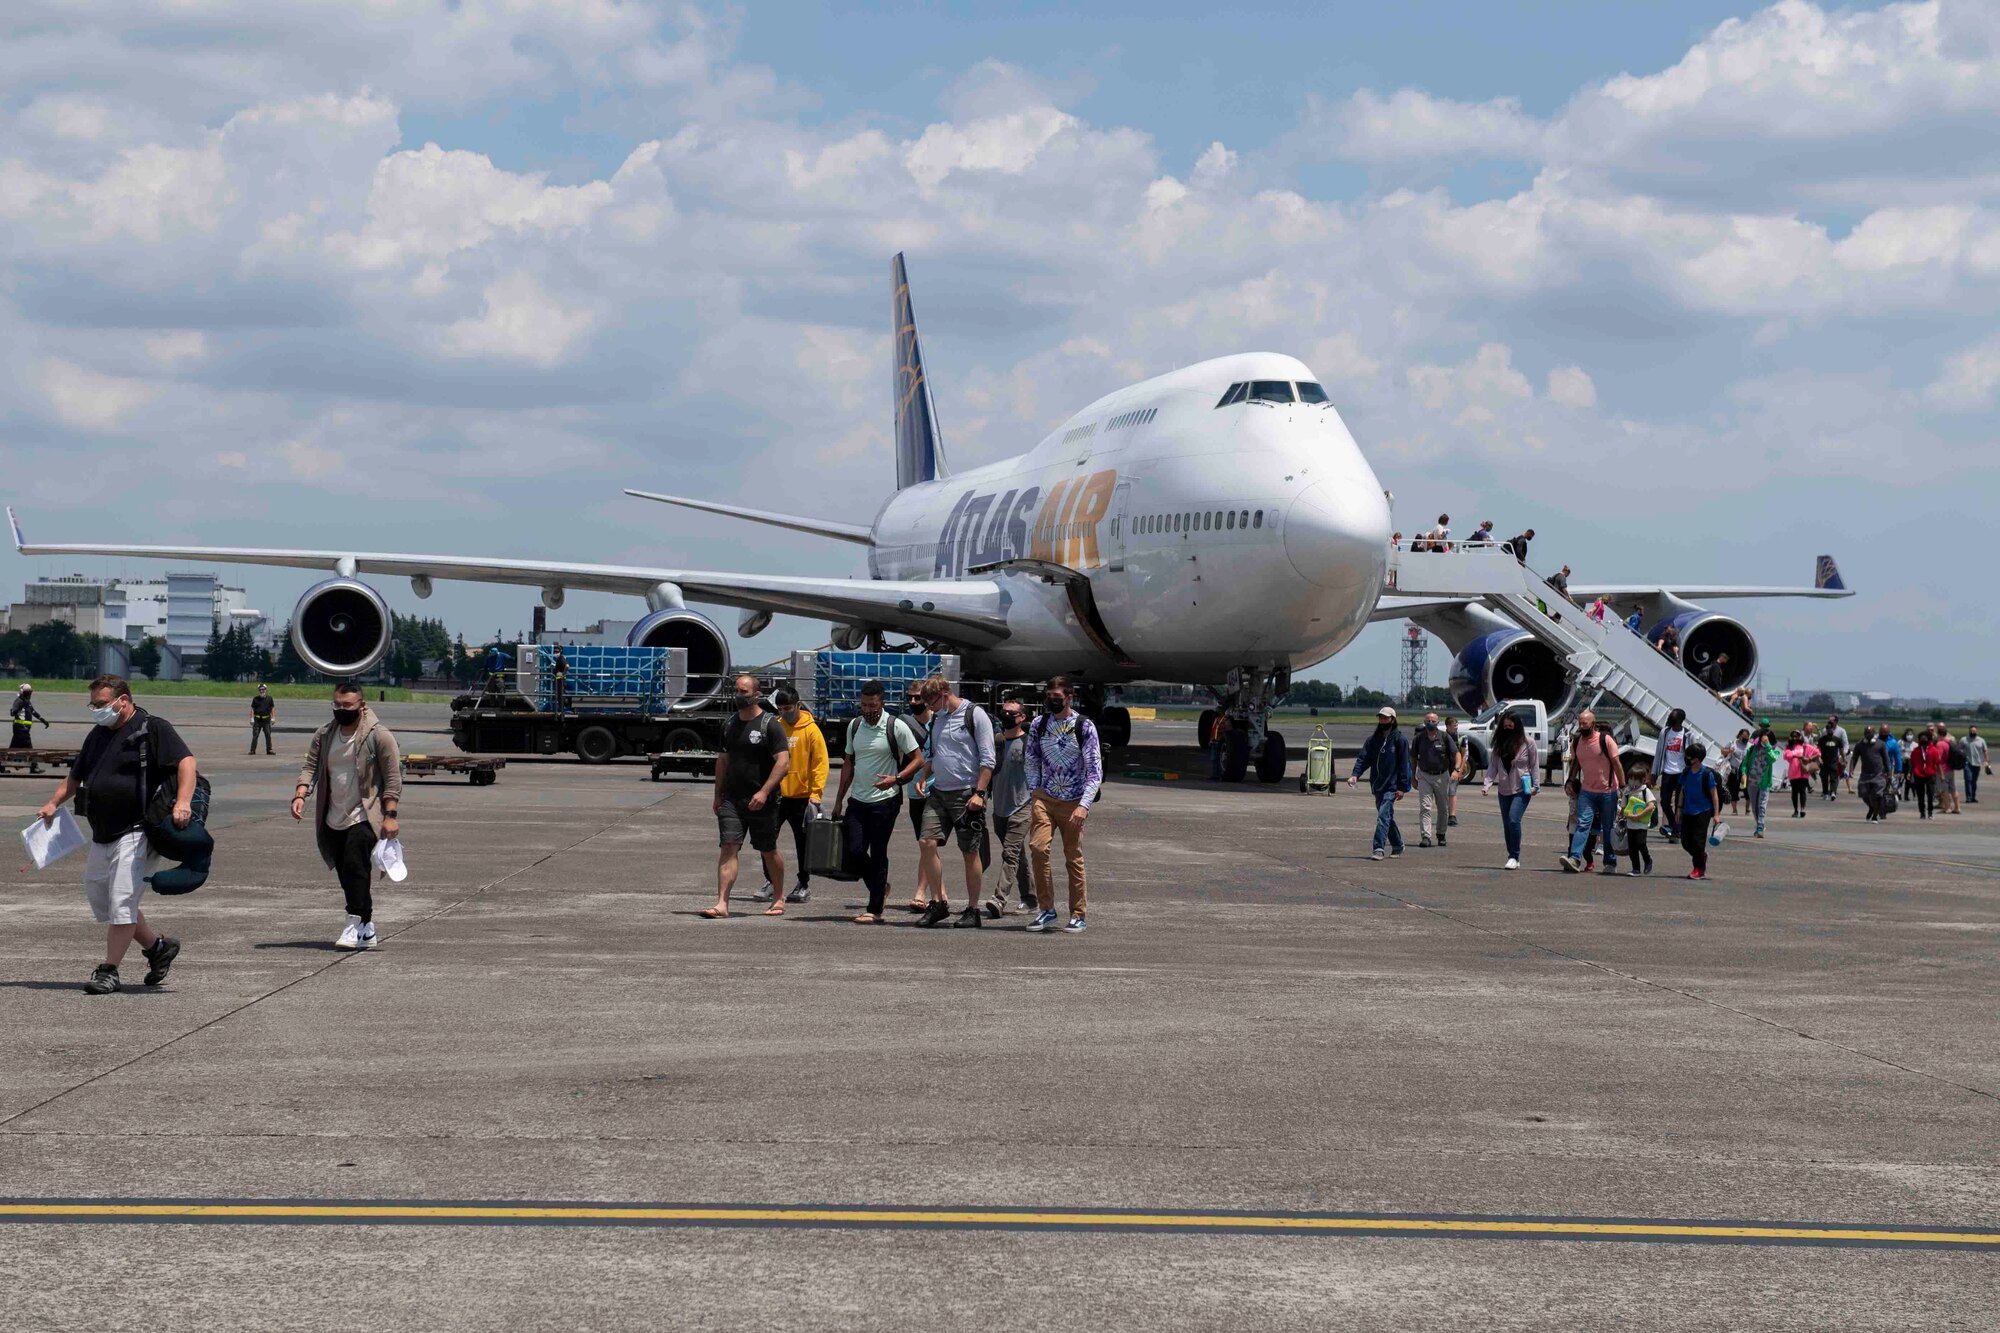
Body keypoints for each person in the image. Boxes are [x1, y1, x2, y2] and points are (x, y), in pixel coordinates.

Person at [35, 676, 192, 994]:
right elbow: (76, 775)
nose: (96, 710)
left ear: (123, 700)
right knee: (104, 898)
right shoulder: (97, 735)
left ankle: (109, 971)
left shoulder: (153, 728)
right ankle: (158, 947)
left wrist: (184, 802)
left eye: (101, 704)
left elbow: (186, 763)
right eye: (92, 705)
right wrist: (53, 803)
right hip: (103, 832)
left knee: (122, 899)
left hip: (138, 829)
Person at [291, 680, 404, 950]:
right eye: (337, 704)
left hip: (364, 815)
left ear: (361, 706)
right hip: (333, 815)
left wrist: (390, 815)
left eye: (347, 705)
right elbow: (311, 766)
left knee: (356, 867)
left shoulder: (380, 736)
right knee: (348, 874)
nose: (341, 709)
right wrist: (300, 794)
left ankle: (353, 924)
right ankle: (367, 927)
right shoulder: (325, 734)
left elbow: (392, 779)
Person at [831, 680, 924, 924]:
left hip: (886, 800)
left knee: (879, 851)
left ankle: (875, 909)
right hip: (858, 799)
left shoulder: (896, 726)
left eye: (872, 705)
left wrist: (897, 778)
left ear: (882, 703)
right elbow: (848, 763)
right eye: (863, 704)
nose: (867, 709)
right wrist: (839, 799)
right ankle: (880, 886)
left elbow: (918, 759)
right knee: (854, 849)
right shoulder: (855, 726)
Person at [703, 674, 791, 919]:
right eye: (736, 690)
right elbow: (723, 760)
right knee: (728, 846)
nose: (738, 695)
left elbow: (783, 763)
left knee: (768, 849)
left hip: (763, 801)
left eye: (744, 691)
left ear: (756, 694)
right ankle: (722, 904)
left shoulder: (770, 724)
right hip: (732, 799)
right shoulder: (729, 724)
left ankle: (778, 897)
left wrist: (764, 792)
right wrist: (717, 794)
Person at [913, 673, 996, 929]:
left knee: (969, 851)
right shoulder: (937, 719)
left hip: (966, 793)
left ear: (944, 695)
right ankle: (939, 903)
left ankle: (973, 909)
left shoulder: (975, 715)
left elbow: (988, 759)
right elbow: (934, 753)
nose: (929, 708)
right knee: (926, 842)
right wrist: (924, 775)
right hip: (939, 791)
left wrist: (979, 794)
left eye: (932, 703)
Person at [1024, 675, 1102, 933]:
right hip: (1044, 798)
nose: (1051, 702)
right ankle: (1046, 909)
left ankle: (1078, 913)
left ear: (1069, 698)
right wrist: (1034, 790)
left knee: (1073, 857)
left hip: (1074, 801)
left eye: (1057, 698)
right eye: (1048, 697)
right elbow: (1031, 758)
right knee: (1037, 848)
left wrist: (1084, 805)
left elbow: (1094, 771)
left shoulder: (1084, 726)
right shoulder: (1039, 723)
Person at [763, 687, 827, 905]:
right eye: (780, 709)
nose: (784, 712)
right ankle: (771, 881)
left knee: (803, 844)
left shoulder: (811, 730)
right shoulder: (775, 727)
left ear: (798, 705)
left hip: (802, 797)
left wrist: (816, 794)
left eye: (788, 708)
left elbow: (820, 764)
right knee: (767, 839)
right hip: (777, 795)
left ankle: (803, 884)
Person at [983, 699, 1036, 917]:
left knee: (1010, 853)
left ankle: (999, 898)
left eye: (1011, 713)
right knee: (1018, 856)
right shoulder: (996, 742)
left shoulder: (1029, 743)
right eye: (1003, 711)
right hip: (1000, 808)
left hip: (1022, 807)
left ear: (1022, 717)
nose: (1006, 716)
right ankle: (1031, 898)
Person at [1559, 709, 1623, 875]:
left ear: (1593, 725)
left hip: (1608, 791)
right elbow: (1575, 764)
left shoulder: (1605, 740)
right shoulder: (1577, 741)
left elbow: (1616, 763)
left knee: (1608, 828)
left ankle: (1610, 862)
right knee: (1582, 824)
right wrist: (1570, 781)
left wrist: (1623, 787)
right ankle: (1574, 859)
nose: (1581, 726)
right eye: (1580, 723)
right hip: (1587, 792)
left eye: (1584, 724)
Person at [1348, 706, 1412, 861]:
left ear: (1393, 720)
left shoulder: (1399, 740)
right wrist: (1355, 775)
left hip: (1392, 786)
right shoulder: (1372, 740)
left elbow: (1405, 765)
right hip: (1377, 785)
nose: (1383, 720)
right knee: (1387, 816)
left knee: (1383, 816)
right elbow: (1363, 759)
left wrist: (1403, 787)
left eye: (1386, 718)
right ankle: (1397, 844)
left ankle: (1378, 848)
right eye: (1381, 718)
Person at [1480, 711, 1537, 869]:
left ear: (1517, 726)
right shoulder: (1499, 744)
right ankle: (1511, 855)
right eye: (1505, 727)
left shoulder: (1528, 742)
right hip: (1504, 789)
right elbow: (1493, 766)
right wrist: (1487, 784)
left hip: (1523, 787)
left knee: (1513, 819)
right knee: (1507, 824)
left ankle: (1514, 855)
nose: (1508, 729)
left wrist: (1536, 786)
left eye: (1511, 727)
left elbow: (1534, 765)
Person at [897, 686, 934, 912]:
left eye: (918, 698)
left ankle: (922, 893)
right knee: (925, 845)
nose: (913, 701)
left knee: (928, 843)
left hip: (939, 789)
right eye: (910, 698)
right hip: (914, 791)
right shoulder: (904, 724)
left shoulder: (940, 721)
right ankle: (935, 892)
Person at [1410, 711, 1457, 849]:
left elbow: (1456, 754)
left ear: (1438, 722)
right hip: (1424, 775)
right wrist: (1413, 776)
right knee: (1425, 807)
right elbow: (1413, 757)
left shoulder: (1445, 737)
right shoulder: (1419, 738)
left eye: (1433, 721)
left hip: (1442, 776)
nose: (1430, 723)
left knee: (1443, 807)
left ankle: (1441, 833)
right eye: (1428, 721)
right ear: (1424, 722)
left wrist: (1457, 770)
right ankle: (1426, 836)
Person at [1677, 744, 1722, 880]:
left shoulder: (1707, 774)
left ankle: (1699, 869)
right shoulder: (1686, 772)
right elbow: (1682, 791)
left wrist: (1716, 814)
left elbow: (1714, 794)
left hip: (1703, 811)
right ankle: (1701, 856)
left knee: (1698, 841)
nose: (1687, 758)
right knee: (1685, 841)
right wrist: (1679, 809)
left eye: (1690, 756)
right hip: (1687, 810)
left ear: (1698, 759)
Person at [1742, 723, 1782, 837]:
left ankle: (1760, 827)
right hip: (1752, 782)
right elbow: (1745, 763)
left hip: (1764, 783)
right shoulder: (1752, 749)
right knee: (1754, 807)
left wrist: (1768, 745)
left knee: (1762, 805)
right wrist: (1744, 773)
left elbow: (1772, 759)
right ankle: (1759, 823)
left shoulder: (1774, 751)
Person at [1655, 708, 1689, 838]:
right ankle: (1675, 825)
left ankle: (1676, 831)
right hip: (1667, 772)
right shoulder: (1665, 732)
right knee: (1664, 802)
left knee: (1679, 804)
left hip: (1681, 772)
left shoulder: (1687, 734)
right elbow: (1659, 753)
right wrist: (1654, 773)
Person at [1617, 771, 1658, 877]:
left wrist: (1639, 816)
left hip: (1642, 824)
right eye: (1630, 778)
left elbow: (1651, 806)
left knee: (1640, 843)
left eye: (1635, 779)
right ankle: (1636, 868)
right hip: (1630, 824)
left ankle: (1648, 860)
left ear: (1643, 780)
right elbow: (1623, 806)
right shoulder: (1627, 791)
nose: (1632, 781)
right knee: (1632, 847)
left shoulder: (1645, 791)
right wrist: (1620, 815)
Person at [1851, 726, 1890, 822]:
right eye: (1866, 733)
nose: (1868, 735)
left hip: (1878, 774)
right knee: (1863, 793)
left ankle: (1875, 816)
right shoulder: (1860, 744)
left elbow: (1886, 759)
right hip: (1865, 774)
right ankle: (1871, 807)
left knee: (1877, 795)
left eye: (1870, 733)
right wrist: (1851, 768)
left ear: (1874, 733)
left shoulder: (1881, 744)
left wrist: (1888, 772)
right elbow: (1854, 757)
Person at [1782, 730, 1818, 818]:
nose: (1795, 738)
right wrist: (1798, 756)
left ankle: (1802, 808)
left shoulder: (1805, 746)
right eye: (1793, 736)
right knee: (1794, 792)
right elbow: (1787, 755)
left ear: (1800, 737)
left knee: (1802, 791)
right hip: (1793, 773)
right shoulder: (1789, 747)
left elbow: (1817, 752)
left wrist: (1809, 758)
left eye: (1796, 736)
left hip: (1803, 772)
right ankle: (1795, 810)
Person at [11, 682, 49, 748]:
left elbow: (33, 712)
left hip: (24, 729)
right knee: (28, 748)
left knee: (14, 747)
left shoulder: (27, 702)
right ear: (22, 692)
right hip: (21, 729)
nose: (29, 695)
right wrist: (15, 710)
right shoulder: (19, 701)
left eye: (30, 693)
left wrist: (43, 721)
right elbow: (12, 713)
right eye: (27, 693)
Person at [1937, 724, 1964, 815]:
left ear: (1938, 734)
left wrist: (1940, 773)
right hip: (1951, 769)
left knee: (1944, 790)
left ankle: (1947, 807)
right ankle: (1957, 807)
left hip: (1943, 769)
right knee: (1953, 789)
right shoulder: (1950, 742)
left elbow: (1938, 760)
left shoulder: (1940, 744)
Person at [1722, 728, 1749, 815]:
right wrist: (1730, 750)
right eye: (1744, 737)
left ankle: (1747, 809)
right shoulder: (1733, 743)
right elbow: (1722, 751)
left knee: (1747, 789)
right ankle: (1734, 809)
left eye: (1747, 737)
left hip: (1745, 771)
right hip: (1733, 770)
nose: (1745, 739)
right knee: (1734, 790)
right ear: (1739, 736)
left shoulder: (1750, 745)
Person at [1445, 715, 1465, 827]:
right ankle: (1444, 813)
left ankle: (1452, 815)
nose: (1456, 727)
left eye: (1457, 725)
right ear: (1448, 726)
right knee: (1443, 793)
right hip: (1443, 768)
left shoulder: (1461, 738)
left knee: (1452, 791)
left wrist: (1460, 770)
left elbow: (1464, 754)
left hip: (1454, 768)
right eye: (1454, 726)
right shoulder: (1442, 737)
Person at [1819, 716, 1845, 802]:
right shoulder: (1822, 739)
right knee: (1824, 778)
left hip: (1834, 761)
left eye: (1831, 729)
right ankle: (1825, 793)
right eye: (1828, 729)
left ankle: (1833, 792)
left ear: (1833, 730)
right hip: (1824, 762)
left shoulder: (1837, 740)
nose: (1829, 731)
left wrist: (1843, 759)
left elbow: (1841, 750)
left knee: (1834, 778)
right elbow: (1818, 750)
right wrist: (1818, 759)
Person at [248, 683, 276, 755]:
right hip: (257, 720)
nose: (261, 691)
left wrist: (273, 717)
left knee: (268, 735)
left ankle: (269, 750)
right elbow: (252, 708)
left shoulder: (269, 699)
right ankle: (252, 750)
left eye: (263, 689)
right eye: (260, 690)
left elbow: (272, 708)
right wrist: (251, 718)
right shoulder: (255, 699)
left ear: (265, 690)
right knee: (255, 735)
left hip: (266, 720)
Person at [1966, 725, 1988, 804]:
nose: (1973, 732)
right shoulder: (1964, 740)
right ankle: (1968, 797)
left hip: (1977, 763)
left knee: (1974, 781)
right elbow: (1960, 749)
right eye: (1971, 731)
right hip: (1967, 763)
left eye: (1974, 731)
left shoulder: (1981, 740)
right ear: (1969, 731)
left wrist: (1986, 761)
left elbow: (1985, 751)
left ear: (1977, 731)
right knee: (1968, 780)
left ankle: (1973, 797)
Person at [1207, 709, 1229, 781]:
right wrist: (1211, 739)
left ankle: (1219, 775)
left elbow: (1225, 730)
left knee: (1219, 759)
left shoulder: (1225, 720)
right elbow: (1213, 730)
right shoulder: (1216, 719)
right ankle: (1214, 774)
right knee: (1213, 759)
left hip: (1219, 742)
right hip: (1214, 741)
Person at [550, 644, 570, 714]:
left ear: (560, 652)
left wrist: (563, 674)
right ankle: (562, 708)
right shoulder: (558, 659)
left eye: (557, 651)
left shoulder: (561, 658)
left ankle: (564, 709)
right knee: (559, 695)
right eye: (555, 652)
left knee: (561, 696)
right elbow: (560, 667)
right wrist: (555, 666)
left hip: (561, 681)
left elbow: (567, 666)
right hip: (558, 680)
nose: (555, 653)